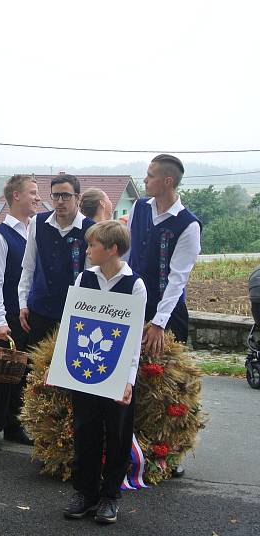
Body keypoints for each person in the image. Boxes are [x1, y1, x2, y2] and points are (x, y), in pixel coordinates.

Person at [62, 220, 147, 525]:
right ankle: (85, 492)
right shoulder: (84, 279)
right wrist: (60, 367)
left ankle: (110, 495)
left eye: (92, 245)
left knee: (117, 433)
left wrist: (128, 381)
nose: (87, 250)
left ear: (112, 249)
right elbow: (71, 325)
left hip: (117, 374)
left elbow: (135, 335)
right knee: (85, 430)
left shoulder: (134, 284)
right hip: (85, 371)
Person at [127, 154, 200, 479]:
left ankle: (170, 452)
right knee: (134, 381)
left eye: (150, 175)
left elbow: (178, 278)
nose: (145, 180)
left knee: (169, 387)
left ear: (167, 181)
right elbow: (126, 256)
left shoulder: (188, 224)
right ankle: (133, 448)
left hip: (167, 315)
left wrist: (158, 322)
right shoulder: (140, 210)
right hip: (133, 307)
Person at [0, 175, 42, 450]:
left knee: (23, 374)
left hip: (29, 314)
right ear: (16, 196)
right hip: (9, 316)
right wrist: (0, 320)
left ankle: (13, 425)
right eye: (33, 193)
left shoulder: (34, 231)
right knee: (2, 375)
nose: (38, 198)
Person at [18, 174, 95, 347]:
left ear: (78, 198)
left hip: (74, 312)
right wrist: (23, 303)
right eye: (55, 195)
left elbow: (91, 276)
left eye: (66, 196)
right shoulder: (38, 222)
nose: (60, 201)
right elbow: (28, 266)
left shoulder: (90, 228)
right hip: (39, 309)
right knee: (35, 370)